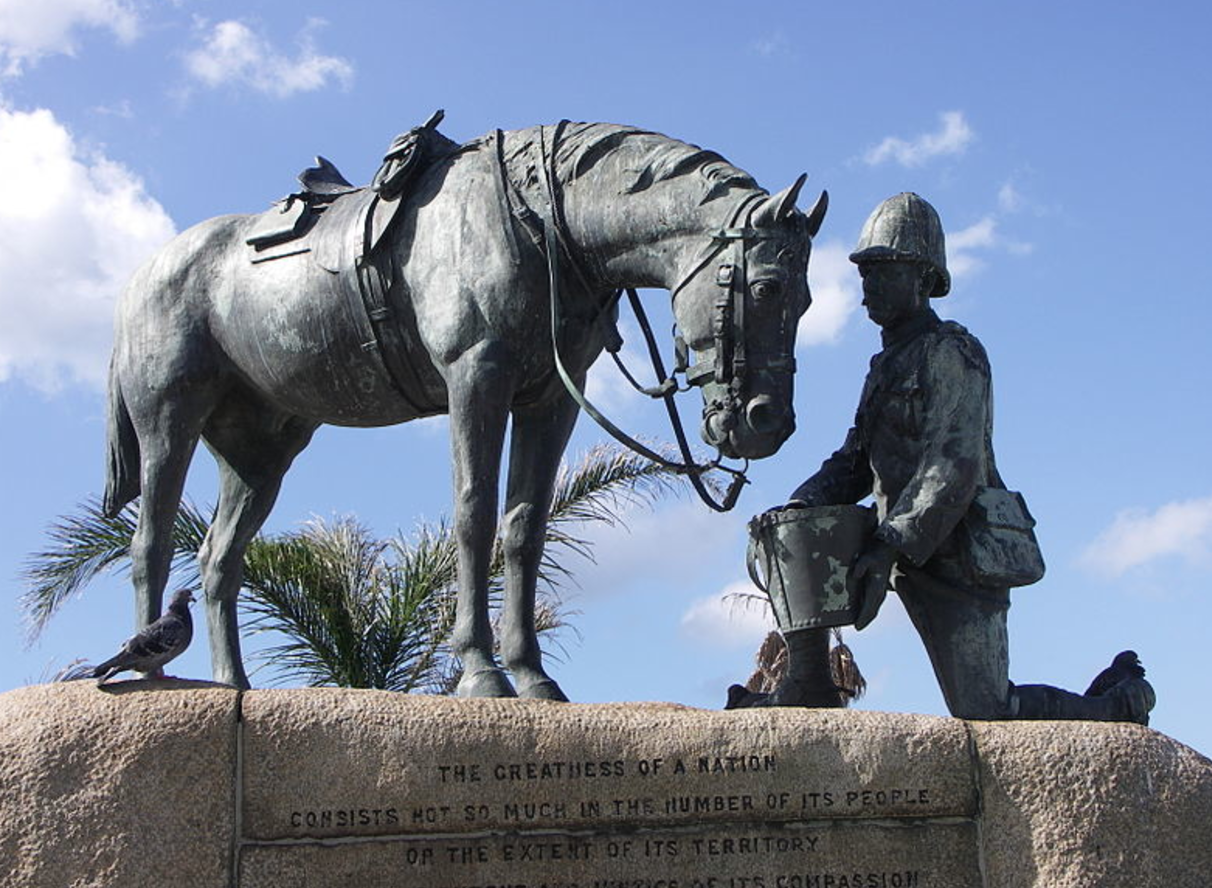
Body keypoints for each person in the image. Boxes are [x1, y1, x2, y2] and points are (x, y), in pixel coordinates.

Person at [730, 193, 1153, 724]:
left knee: (986, 708)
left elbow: (952, 468)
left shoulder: (953, 352)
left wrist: (888, 546)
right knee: (786, 533)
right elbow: (857, 459)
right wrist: (802, 504)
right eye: (865, 276)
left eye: (884, 273)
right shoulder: (886, 365)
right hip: (894, 542)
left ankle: (1113, 706)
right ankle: (807, 681)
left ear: (925, 279)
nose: (868, 292)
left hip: (956, 552)